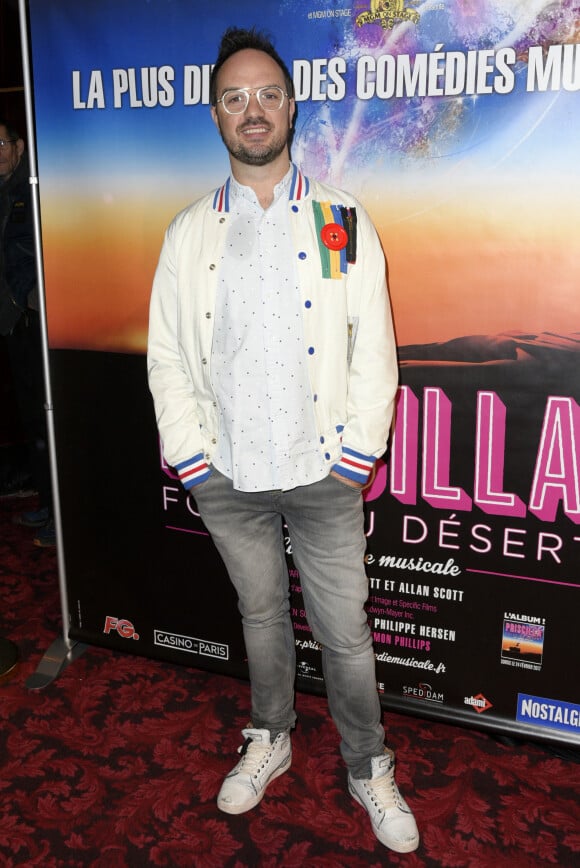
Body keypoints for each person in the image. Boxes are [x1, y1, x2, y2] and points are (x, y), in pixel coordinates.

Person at [147, 27, 419, 854]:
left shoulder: (342, 218)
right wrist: (191, 455)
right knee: (261, 617)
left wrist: (355, 455)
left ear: (292, 105)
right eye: (234, 98)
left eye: (266, 93)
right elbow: (166, 353)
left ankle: (368, 764)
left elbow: (376, 346)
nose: (252, 110)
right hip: (228, 470)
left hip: (325, 473)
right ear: (217, 116)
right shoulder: (188, 232)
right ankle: (271, 736)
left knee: (345, 632)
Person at [0, 119, 54, 546]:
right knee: (31, 421)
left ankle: (60, 514)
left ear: (18, 146)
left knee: (48, 419)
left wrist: (33, 298)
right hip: (13, 326)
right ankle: (45, 500)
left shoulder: (32, 188)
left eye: (2, 143)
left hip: (34, 322)